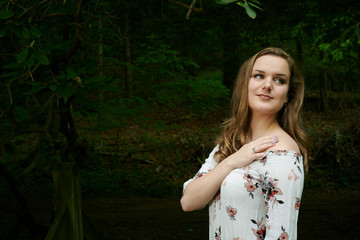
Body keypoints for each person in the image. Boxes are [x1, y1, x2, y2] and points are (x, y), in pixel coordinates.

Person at [180, 47, 309, 240]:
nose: (267, 85)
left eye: (279, 80)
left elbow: (282, 235)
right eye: (259, 76)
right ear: (244, 84)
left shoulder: (283, 153)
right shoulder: (231, 143)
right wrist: (232, 161)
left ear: (288, 96)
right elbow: (189, 201)